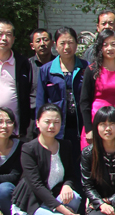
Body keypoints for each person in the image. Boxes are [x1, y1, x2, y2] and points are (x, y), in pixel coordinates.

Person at [10, 104, 82, 215]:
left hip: (51, 198)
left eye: (56, 122)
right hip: (31, 203)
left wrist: (67, 185)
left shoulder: (65, 145)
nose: (52, 126)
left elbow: (70, 174)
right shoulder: (29, 149)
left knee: (75, 197)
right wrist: (60, 208)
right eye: (47, 122)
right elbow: (36, 185)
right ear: (37, 123)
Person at [37, 27, 88, 167]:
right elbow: (41, 100)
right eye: (62, 43)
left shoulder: (86, 67)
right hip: (56, 127)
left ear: (76, 44)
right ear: (55, 45)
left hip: (79, 126)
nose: (67, 47)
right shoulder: (46, 70)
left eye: (70, 43)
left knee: (79, 164)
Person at [79, 29, 115, 150]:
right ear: (100, 47)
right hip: (96, 120)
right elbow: (84, 102)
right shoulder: (92, 70)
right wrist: (89, 129)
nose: (109, 48)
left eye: (113, 44)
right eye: (105, 45)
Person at [28, 27, 54, 115]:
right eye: (38, 41)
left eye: (45, 40)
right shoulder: (27, 65)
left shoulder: (59, 64)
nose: (42, 44)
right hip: (33, 113)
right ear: (32, 46)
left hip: (54, 112)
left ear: (52, 43)